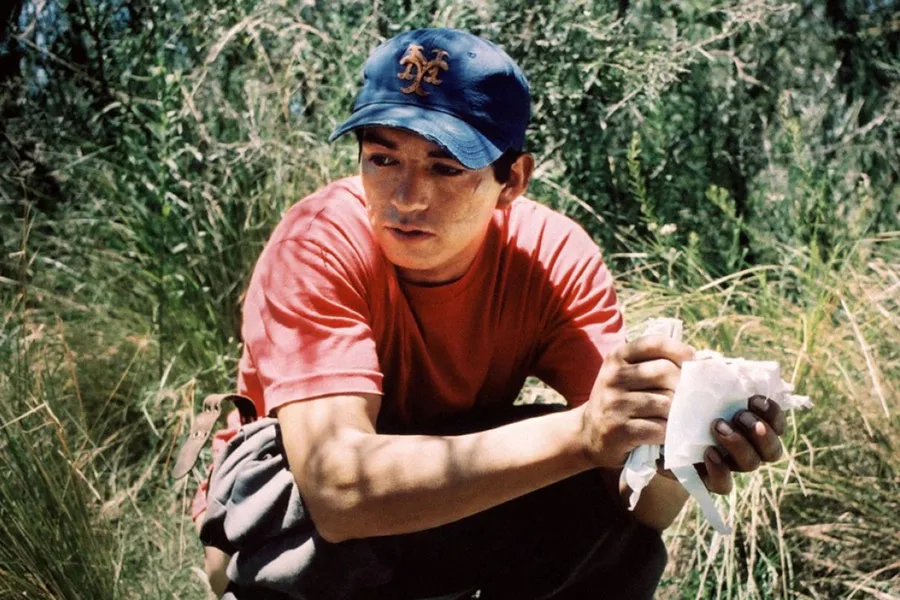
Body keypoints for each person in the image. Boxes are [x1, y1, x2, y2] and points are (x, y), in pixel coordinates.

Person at [190, 28, 786, 599]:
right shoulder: (317, 242)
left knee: (603, 494)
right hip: (289, 523)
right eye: (383, 159)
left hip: (431, 497)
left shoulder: (552, 259)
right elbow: (338, 490)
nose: (406, 198)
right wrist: (583, 434)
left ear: (512, 180)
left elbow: (642, 511)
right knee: (571, 447)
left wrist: (679, 446)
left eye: (445, 168)